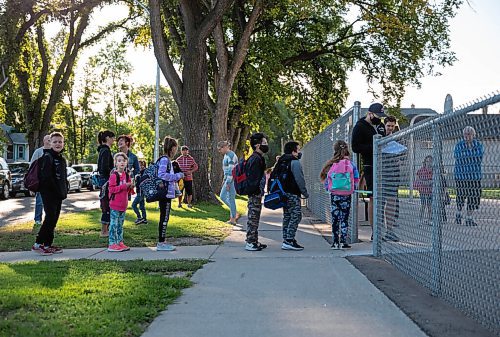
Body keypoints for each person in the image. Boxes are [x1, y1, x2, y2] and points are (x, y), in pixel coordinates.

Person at [351, 102, 387, 240]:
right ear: (370, 114)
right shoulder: (360, 127)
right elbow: (355, 147)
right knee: (373, 197)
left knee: (383, 197)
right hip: (370, 165)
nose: (379, 119)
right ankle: (375, 231)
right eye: (377, 116)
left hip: (384, 164)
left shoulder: (380, 126)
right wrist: (374, 146)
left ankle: (382, 228)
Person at [31, 132, 67, 255]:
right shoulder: (47, 157)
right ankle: (37, 244)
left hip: (58, 194)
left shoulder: (61, 159)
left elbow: (62, 178)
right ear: (50, 143)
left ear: (63, 143)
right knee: (50, 218)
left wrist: (63, 191)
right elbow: (46, 177)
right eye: (55, 142)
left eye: (60, 142)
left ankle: (47, 244)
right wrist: (56, 190)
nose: (58, 144)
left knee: (54, 219)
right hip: (49, 194)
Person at [320, 140, 360, 249]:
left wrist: (329, 188)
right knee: (344, 218)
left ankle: (335, 242)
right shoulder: (350, 164)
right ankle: (343, 241)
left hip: (334, 194)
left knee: (335, 218)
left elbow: (327, 178)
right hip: (346, 194)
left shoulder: (332, 163)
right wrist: (354, 187)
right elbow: (356, 178)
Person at [271, 141, 309, 251]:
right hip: (293, 193)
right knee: (296, 215)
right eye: (298, 149)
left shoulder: (281, 161)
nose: (299, 152)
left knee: (287, 215)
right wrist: (304, 192)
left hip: (282, 194)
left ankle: (286, 239)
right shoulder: (294, 162)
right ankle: (289, 239)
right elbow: (299, 179)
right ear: (293, 151)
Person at [157, 136, 184, 251]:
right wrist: (177, 176)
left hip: (167, 193)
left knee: (165, 217)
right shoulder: (165, 160)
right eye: (175, 148)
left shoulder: (166, 160)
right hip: (164, 194)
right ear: (172, 148)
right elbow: (161, 174)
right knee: (164, 217)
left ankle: (162, 240)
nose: (176, 150)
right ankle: (161, 242)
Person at [454, 126, 484, 226]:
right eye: (466, 134)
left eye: (469, 134)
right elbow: (458, 156)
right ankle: (458, 214)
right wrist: (471, 156)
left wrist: (467, 156)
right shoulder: (459, 145)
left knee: (473, 197)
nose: (467, 136)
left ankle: (469, 218)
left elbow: (479, 156)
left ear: (473, 135)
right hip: (461, 176)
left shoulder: (478, 145)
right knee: (461, 196)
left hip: (475, 176)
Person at [245, 132, 269, 251]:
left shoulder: (257, 158)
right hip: (254, 193)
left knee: (255, 217)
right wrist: (257, 190)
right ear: (258, 145)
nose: (266, 145)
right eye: (264, 143)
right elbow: (253, 178)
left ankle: (254, 240)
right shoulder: (255, 159)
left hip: (256, 192)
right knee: (253, 217)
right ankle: (250, 242)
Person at [107, 152, 134, 252]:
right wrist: (124, 186)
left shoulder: (127, 176)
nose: (122, 162)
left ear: (126, 162)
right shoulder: (114, 176)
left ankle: (120, 242)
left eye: (123, 160)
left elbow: (128, 191)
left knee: (120, 225)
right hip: (115, 204)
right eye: (119, 161)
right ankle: (112, 243)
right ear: (115, 163)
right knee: (113, 224)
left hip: (123, 204)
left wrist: (130, 187)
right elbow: (112, 189)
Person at [382, 115, 401, 240]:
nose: (390, 128)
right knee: (379, 201)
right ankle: (377, 231)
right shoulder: (379, 138)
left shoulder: (396, 138)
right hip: (382, 172)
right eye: (388, 126)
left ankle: (389, 230)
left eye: (392, 126)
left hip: (393, 172)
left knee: (392, 200)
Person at [30, 134, 51, 226]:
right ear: (44, 141)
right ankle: (38, 219)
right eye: (48, 140)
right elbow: (32, 166)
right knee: (40, 201)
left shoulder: (54, 152)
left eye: (51, 140)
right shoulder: (38, 152)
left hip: (51, 181)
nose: (49, 142)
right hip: (41, 181)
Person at [97, 130, 115, 237]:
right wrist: (112, 173)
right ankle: (104, 231)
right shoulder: (106, 151)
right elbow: (104, 167)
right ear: (107, 138)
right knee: (107, 206)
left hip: (104, 180)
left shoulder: (102, 150)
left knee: (106, 205)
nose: (113, 140)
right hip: (106, 181)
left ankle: (106, 229)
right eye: (113, 138)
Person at [217, 141, 239, 225]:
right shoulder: (226, 155)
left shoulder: (231, 155)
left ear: (225, 147)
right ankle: (234, 214)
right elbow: (226, 171)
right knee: (226, 197)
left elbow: (231, 170)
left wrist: (228, 183)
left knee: (228, 198)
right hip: (228, 179)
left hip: (232, 180)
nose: (219, 151)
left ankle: (233, 218)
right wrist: (224, 180)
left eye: (220, 149)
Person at [415, 155, 433, 225]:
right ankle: (420, 219)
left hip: (430, 190)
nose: (429, 163)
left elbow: (434, 179)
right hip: (422, 189)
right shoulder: (421, 170)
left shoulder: (433, 170)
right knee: (423, 205)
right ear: (425, 162)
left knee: (429, 205)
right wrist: (424, 182)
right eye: (427, 161)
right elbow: (417, 177)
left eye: (430, 161)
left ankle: (430, 219)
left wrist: (429, 182)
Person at [132, 160, 147, 224]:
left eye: (140, 165)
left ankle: (139, 217)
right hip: (140, 191)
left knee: (134, 205)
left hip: (141, 192)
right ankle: (144, 219)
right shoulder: (139, 173)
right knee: (142, 206)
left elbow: (141, 181)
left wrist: (137, 177)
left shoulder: (143, 173)